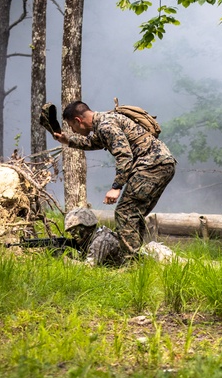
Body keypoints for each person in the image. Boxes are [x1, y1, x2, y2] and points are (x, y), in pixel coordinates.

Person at [52, 101, 176, 261]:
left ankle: (131, 263)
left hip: (152, 164)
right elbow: (93, 142)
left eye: (72, 126)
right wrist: (68, 140)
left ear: (78, 120)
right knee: (133, 215)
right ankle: (140, 258)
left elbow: (124, 156)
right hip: (162, 163)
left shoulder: (105, 125)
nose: (73, 130)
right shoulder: (104, 121)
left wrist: (116, 187)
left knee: (125, 213)